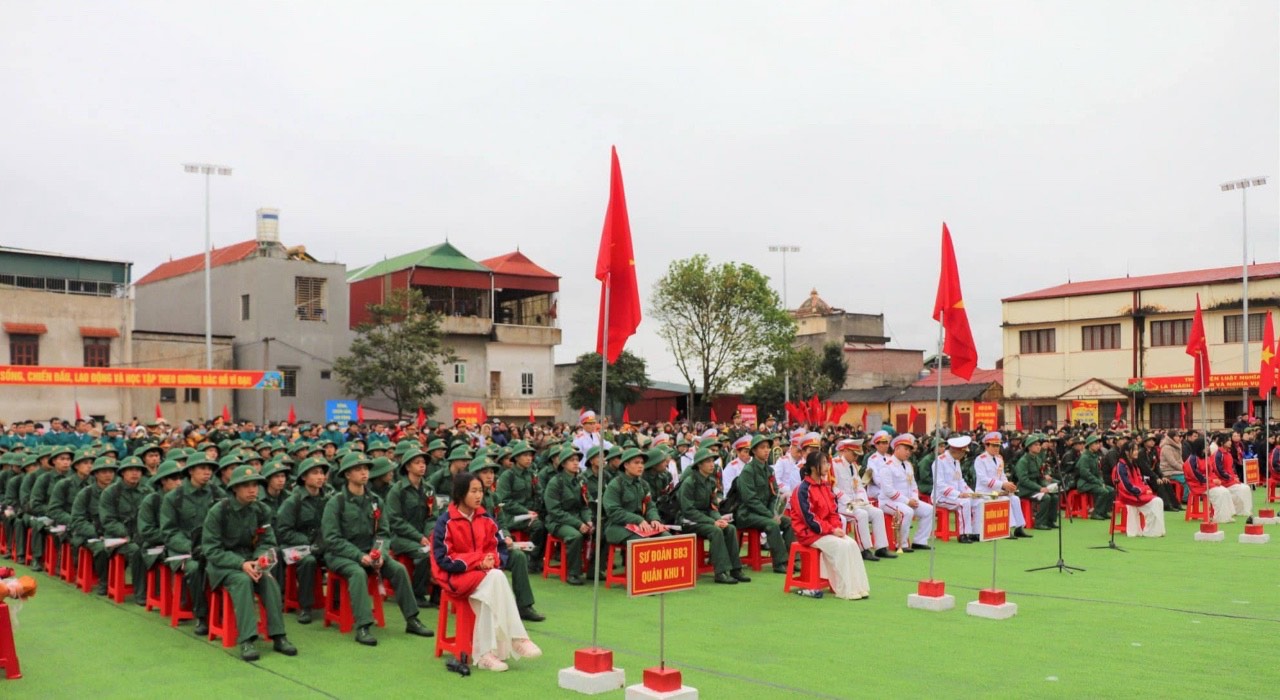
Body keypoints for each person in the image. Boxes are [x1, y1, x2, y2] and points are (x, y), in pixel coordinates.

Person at [432, 471, 542, 672]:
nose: (478, 496)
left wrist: (491, 560)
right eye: (473, 491)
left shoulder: (486, 518)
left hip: (482, 576)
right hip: (454, 577)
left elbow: (499, 547)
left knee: (494, 579)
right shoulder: (446, 522)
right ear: (460, 494)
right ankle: (516, 637)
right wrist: (478, 561)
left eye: (480, 491)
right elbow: (444, 559)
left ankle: (486, 654)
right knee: (495, 578)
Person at [322, 452, 434, 645]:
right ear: (347, 474)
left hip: (370, 552)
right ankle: (363, 626)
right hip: (341, 555)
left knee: (398, 569)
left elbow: (383, 533)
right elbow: (332, 539)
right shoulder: (336, 502)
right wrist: (359, 556)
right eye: (358, 469)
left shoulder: (375, 501)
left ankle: (412, 619)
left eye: (366, 468)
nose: (364, 472)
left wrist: (379, 553)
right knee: (357, 573)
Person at [202, 465, 298, 661]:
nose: (252, 490)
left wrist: (259, 560)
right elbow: (211, 550)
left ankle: (279, 635)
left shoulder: (261, 510)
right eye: (246, 486)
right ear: (234, 489)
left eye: (255, 485)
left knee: (269, 580)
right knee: (242, 581)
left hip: (252, 562)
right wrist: (241, 564)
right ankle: (247, 639)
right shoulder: (219, 511)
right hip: (224, 566)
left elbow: (268, 541)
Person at [790, 451, 870, 600]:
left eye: (827, 463)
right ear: (813, 467)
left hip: (825, 531)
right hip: (809, 533)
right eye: (823, 463)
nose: (828, 466)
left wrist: (836, 527)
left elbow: (833, 511)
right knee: (841, 546)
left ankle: (859, 587)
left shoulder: (825, 486)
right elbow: (810, 520)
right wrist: (832, 530)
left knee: (852, 544)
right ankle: (845, 590)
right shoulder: (802, 489)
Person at [678, 447, 749, 584]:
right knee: (715, 530)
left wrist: (718, 518)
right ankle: (720, 572)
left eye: (712, 461)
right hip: (688, 521)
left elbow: (712, 506)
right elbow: (688, 511)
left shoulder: (710, 482)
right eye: (708, 461)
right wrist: (712, 522)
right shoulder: (689, 482)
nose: (712, 464)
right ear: (699, 465)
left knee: (730, 528)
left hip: (705, 519)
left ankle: (736, 569)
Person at [276, 456, 330, 624]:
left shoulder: (328, 499)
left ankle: (336, 601)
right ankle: (305, 606)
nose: (320, 476)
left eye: (322, 473)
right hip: (293, 548)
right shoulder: (293, 501)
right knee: (308, 561)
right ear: (304, 477)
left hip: (321, 545)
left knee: (340, 557)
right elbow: (283, 531)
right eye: (315, 473)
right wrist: (307, 542)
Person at [733, 435, 796, 573]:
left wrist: (774, 513)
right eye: (762, 448)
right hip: (747, 514)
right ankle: (780, 563)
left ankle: (793, 560)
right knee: (772, 524)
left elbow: (774, 495)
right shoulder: (748, 471)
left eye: (768, 447)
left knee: (790, 523)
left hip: (764, 513)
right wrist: (770, 515)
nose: (767, 450)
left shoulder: (769, 470)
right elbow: (750, 500)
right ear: (754, 451)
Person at [867, 433, 934, 552]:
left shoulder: (908, 465)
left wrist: (915, 498)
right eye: (905, 449)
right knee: (907, 512)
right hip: (889, 502)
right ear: (897, 449)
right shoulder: (887, 466)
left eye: (909, 450)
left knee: (929, 510)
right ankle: (902, 544)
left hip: (907, 501)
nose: (908, 453)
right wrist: (908, 501)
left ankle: (920, 541)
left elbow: (913, 485)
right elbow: (888, 491)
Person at [386, 448, 435, 606]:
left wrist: (428, 535)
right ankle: (417, 595)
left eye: (423, 462)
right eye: (417, 463)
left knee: (442, 550)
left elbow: (432, 516)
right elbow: (395, 521)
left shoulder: (429, 489)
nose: (422, 466)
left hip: (422, 537)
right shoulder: (397, 490)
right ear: (407, 467)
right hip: (400, 537)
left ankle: (436, 594)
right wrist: (419, 537)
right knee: (424, 554)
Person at [98, 455, 147, 605]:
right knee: (136, 550)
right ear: (122, 473)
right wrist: (127, 535)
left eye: (138, 470)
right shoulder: (111, 492)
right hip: (118, 538)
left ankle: (156, 589)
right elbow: (108, 521)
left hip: (142, 536)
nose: (135, 473)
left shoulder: (147, 491)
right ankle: (140, 592)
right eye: (130, 470)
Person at [831, 439, 891, 560]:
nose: (856, 457)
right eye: (854, 454)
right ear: (845, 451)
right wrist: (849, 501)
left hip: (856, 503)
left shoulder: (853, 466)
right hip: (843, 505)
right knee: (861, 514)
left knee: (877, 512)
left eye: (857, 455)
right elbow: (833, 488)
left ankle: (881, 548)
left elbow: (859, 485)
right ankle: (863, 549)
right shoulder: (835, 464)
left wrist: (861, 499)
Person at [542, 445, 593, 586]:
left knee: (598, 530)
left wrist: (588, 520)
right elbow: (554, 511)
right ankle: (573, 573)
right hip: (557, 521)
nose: (576, 463)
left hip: (577, 518)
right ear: (563, 464)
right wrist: (578, 524)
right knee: (575, 536)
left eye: (577, 460)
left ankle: (593, 570)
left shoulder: (581, 480)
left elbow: (584, 505)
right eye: (571, 460)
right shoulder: (555, 482)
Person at [70, 456, 119, 595]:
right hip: (91, 535)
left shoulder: (119, 492)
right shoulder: (86, 493)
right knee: (101, 549)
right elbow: (77, 520)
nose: (108, 475)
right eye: (104, 472)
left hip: (114, 534)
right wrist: (97, 533)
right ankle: (104, 581)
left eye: (111, 471)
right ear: (96, 474)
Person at [972, 432, 1031, 537]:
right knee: (1005, 499)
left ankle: (1019, 527)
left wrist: (1008, 485)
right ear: (986, 446)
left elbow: (1002, 475)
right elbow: (983, 479)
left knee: (1015, 499)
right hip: (985, 492)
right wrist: (1003, 485)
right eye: (994, 445)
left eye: (998, 446)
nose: (997, 448)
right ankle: (1007, 529)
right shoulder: (980, 459)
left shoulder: (999, 459)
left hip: (998, 491)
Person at [932, 436, 982, 543]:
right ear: (957, 451)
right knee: (964, 503)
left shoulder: (956, 461)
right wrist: (958, 494)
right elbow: (939, 485)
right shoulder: (939, 461)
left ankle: (975, 532)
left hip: (955, 496)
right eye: (963, 452)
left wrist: (971, 493)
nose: (964, 455)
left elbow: (960, 481)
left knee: (978, 501)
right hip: (941, 497)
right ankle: (963, 534)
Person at [1112, 442, 1166, 537]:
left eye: (1137, 449)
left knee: (1158, 501)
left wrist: (1145, 489)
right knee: (1156, 501)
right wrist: (1142, 491)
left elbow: (1140, 480)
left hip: (1136, 493)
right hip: (1127, 495)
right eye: (1134, 450)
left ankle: (1154, 530)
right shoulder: (1121, 466)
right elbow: (1125, 486)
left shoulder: (1133, 464)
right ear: (1127, 452)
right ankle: (1150, 531)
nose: (1137, 452)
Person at [1014, 434, 1059, 530]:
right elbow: (1023, 480)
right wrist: (1040, 488)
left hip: (1035, 488)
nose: (1039, 447)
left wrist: (1047, 487)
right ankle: (1039, 522)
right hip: (1025, 490)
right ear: (1029, 447)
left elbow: (1040, 476)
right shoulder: (1023, 461)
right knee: (1046, 497)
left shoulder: (1037, 459)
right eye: (1036, 445)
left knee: (1054, 496)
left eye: (1039, 444)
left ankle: (1050, 521)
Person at [1074, 436, 1116, 520]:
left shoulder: (1094, 456)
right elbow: (1085, 474)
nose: (1098, 445)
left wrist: (1101, 482)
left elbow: (1098, 472)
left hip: (1093, 482)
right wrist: (1099, 482)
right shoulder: (1085, 457)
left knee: (1111, 490)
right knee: (1103, 491)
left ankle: (1103, 512)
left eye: (1098, 443)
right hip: (1084, 483)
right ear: (1090, 445)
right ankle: (1096, 513)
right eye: (1096, 443)